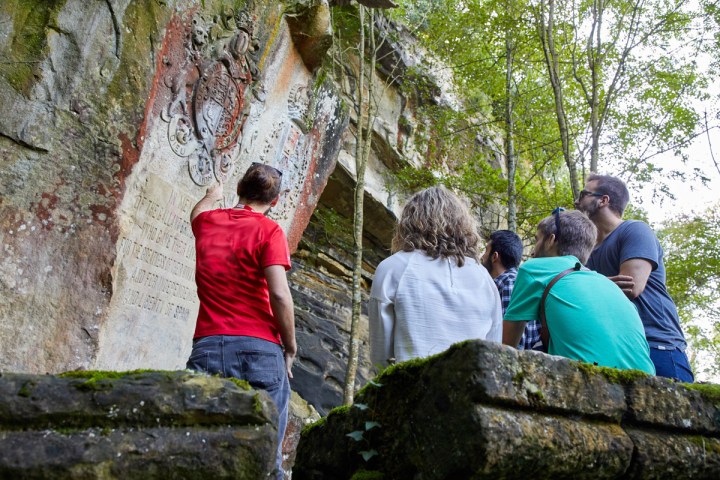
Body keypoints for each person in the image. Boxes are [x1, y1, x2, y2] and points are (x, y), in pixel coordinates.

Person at [186, 163, 296, 478]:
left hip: (207, 346)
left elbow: (197, 212)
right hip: (260, 348)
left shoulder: (207, 222)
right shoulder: (270, 231)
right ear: (274, 201)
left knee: (199, 449)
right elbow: (279, 295)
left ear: (239, 189)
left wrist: (212, 195)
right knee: (264, 455)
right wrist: (290, 345)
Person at [503, 209, 655, 374]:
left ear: (551, 240)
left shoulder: (535, 269)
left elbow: (506, 348)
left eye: (537, 240)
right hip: (646, 379)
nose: (532, 251)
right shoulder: (608, 284)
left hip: (590, 381)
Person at [575, 173, 693, 382]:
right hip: (618, 346)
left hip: (657, 343)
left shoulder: (635, 230)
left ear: (604, 200)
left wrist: (585, 288)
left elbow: (630, 287)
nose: (577, 200)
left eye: (584, 194)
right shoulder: (588, 254)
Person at [368, 186, 503, 367]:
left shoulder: (393, 268)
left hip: (412, 388)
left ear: (410, 223)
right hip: (472, 390)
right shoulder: (484, 278)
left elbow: (381, 354)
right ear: (462, 225)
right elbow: (493, 349)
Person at [481, 230, 543, 350]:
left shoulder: (509, 283)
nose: (482, 256)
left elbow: (514, 343)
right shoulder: (518, 280)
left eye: (486, 251)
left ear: (495, 257)